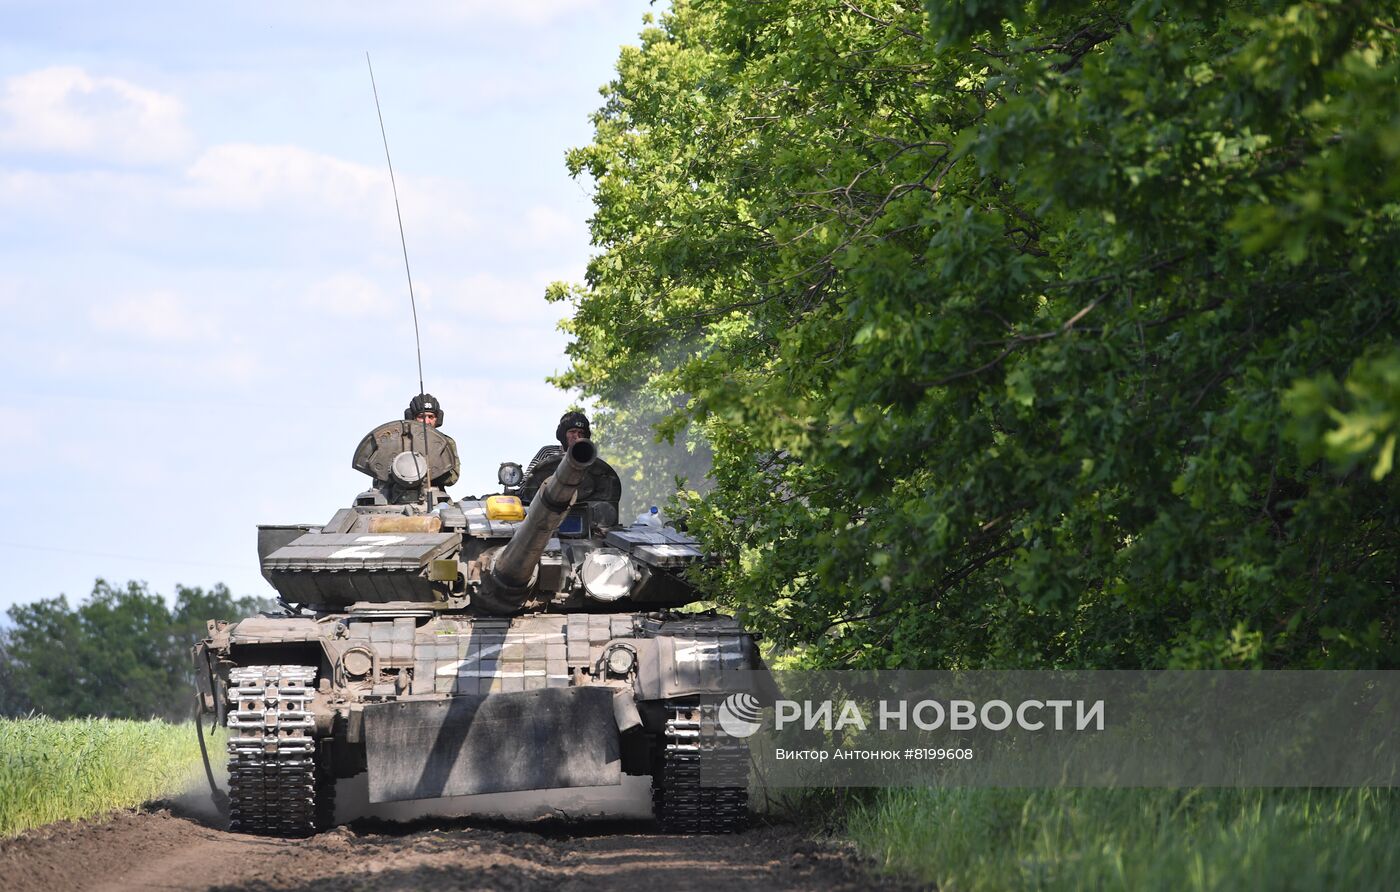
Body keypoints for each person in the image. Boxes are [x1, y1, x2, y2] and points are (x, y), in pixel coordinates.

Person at [404, 392, 459, 488]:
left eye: (431, 417)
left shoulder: (445, 443)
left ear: (437, 419)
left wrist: (429, 472)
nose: (427, 421)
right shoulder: (400, 441)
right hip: (399, 495)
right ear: (412, 418)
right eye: (421, 417)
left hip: (434, 494)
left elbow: (453, 477)